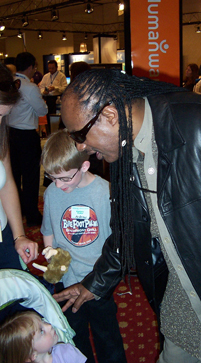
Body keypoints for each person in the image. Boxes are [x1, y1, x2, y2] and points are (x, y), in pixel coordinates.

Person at [57, 68, 201, 363]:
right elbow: (125, 231)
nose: (80, 146)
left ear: (109, 116)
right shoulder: (122, 152)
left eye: (80, 134)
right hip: (183, 300)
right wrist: (95, 283)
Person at [40, 129, 127, 363]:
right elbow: (48, 231)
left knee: (108, 338)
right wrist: (51, 255)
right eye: (51, 177)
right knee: (73, 341)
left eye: (65, 178)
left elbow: (115, 244)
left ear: (85, 167)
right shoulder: (52, 192)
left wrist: (103, 281)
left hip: (97, 283)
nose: (58, 185)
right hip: (65, 279)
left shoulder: (105, 192)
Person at [0, 62, 38, 268]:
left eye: (3, 116)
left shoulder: (1, 137)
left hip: (2, 231)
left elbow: (6, 184)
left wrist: (19, 236)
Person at [7, 52, 48, 227]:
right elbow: (42, 111)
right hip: (26, 135)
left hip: (9, 134)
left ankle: (17, 210)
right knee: (30, 177)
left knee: (13, 175)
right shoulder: (29, 87)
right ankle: (31, 214)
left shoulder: (9, 83)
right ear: (31, 67)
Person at [0, 310, 87, 363]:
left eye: (42, 321)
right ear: (33, 355)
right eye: (41, 331)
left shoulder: (66, 352)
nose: (49, 325)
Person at [39, 60, 67, 130]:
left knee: (57, 116)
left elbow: (65, 88)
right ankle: (49, 130)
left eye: (52, 68)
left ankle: (57, 130)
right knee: (48, 116)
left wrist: (55, 88)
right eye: (49, 68)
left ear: (57, 67)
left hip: (57, 98)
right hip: (48, 98)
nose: (51, 70)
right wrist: (43, 92)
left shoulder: (61, 76)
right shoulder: (46, 76)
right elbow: (41, 87)